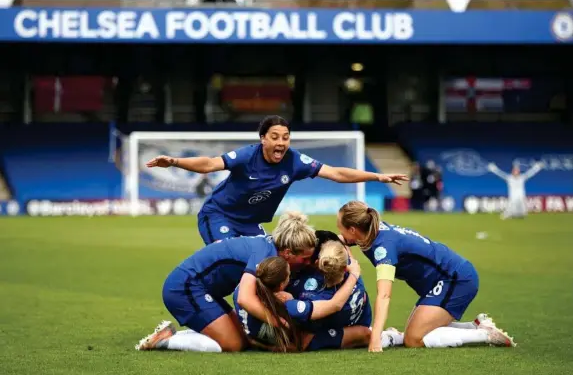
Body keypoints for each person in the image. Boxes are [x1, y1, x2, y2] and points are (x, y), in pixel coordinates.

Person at [146, 115, 409, 244]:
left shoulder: (295, 161)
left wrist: (377, 175)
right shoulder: (246, 156)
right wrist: (175, 161)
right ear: (263, 139)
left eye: (285, 137)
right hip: (219, 216)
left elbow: (337, 173)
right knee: (227, 258)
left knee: (267, 264)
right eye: (275, 136)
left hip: (250, 223)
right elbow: (209, 164)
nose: (281, 142)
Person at [336, 200, 517, 352]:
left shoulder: (384, 248)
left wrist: (375, 338)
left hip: (455, 279)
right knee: (416, 331)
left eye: (340, 226)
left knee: (414, 339)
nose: (339, 231)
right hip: (445, 279)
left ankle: (485, 335)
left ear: (353, 229)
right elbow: (343, 239)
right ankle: (475, 325)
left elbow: (384, 295)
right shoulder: (371, 232)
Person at [135, 211, 317, 353]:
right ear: (287, 253)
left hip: (200, 288)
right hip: (185, 287)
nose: (308, 263)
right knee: (233, 344)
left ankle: (172, 334)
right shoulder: (265, 253)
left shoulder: (268, 247)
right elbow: (244, 298)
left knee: (242, 338)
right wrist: (279, 323)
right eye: (305, 258)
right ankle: (167, 341)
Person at [233, 241, 403, 352]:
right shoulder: (294, 306)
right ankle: (394, 337)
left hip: (256, 331)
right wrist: (354, 275)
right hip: (345, 319)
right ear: (280, 285)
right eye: (288, 274)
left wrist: (254, 342)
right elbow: (333, 306)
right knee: (365, 334)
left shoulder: (241, 292)